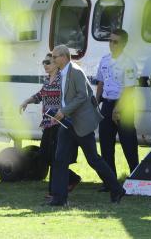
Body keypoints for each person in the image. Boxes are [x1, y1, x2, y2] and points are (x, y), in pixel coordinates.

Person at [49, 44, 125, 206]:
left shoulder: (75, 72)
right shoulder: (62, 73)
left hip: (81, 123)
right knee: (60, 159)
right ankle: (59, 198)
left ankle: (117, 189)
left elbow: (82, 96)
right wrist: (58, 113)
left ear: (63, 57)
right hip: (67, 123)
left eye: (55, 57)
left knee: (93, 160)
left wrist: (64, 110)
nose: (52, 59)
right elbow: (67, 98)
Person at [19, 53, 81, 199]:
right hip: (48, 123)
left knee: (55, 157)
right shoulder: (48, 80)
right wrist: (26, 101)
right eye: (44, 62)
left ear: (56, 64)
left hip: (59, 123)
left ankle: (54, 191)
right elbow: (40, 95)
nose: (45, 65)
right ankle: (71, 179)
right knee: (46, 156)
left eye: (48, 62)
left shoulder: (62, 80)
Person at [96, 29, 139, 192]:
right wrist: (97, 102)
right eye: (110, 41)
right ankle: (110, 181)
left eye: (116, 42)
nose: (112, 45)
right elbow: (100, 82)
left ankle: (135, 178)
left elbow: (129, 89)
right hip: (107, 104)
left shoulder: (128, 63)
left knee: (128, 143)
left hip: (123, 105)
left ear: (124, 44)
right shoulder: (104, 60)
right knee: (106, 143)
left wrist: (118, 109)